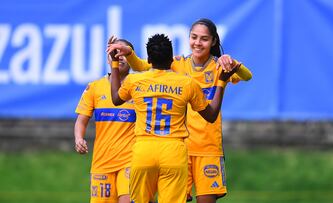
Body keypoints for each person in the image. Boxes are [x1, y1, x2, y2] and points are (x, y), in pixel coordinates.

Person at [106, 18, 253, 203]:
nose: (197, 43)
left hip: (207, 147)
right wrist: (130, 53)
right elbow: (142, 66)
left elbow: (247, 76)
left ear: (214, 41)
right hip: (180, 146)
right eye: (194, 37)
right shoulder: (178, 63)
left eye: (204, 39)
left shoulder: (219, 65)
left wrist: (234, 63)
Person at [74, 38, 136, 203]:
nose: (120, 56)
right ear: (108, 57)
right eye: (115, 52)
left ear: (132, 58)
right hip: (102, 162)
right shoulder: (94, 87)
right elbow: (81, 120)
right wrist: (79, 138)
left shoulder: (139, 87)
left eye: (124, 52)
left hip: (131, 160)